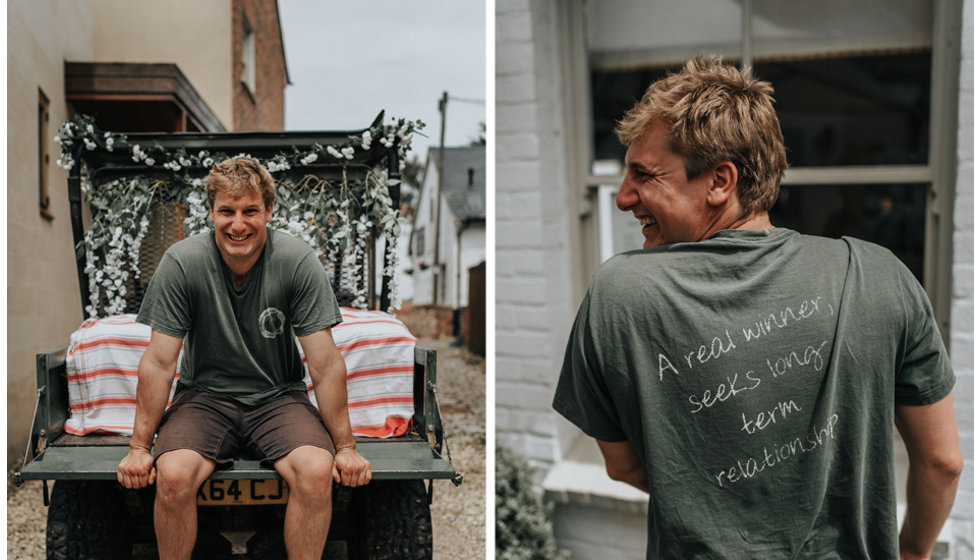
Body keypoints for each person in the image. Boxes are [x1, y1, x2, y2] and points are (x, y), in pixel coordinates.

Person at [552, 56, 961, 559]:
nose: (621, 198)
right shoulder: (880, 275)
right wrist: (915, 552)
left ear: (720, 181)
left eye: (643, 174)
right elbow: (942, 461)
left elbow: (625, 467)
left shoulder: (618, 294)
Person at [117, 157, 372, 560]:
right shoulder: (182, 262)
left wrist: (345, 448)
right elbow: (159, 362)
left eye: (250, 210)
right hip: (204, 397)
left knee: (317, 471)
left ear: (268, 211)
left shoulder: (296, 262)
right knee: (173, 475)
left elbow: (324, 363)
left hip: (278, 396)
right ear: (212, 213)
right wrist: (138, 447)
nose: (238, 224)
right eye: (227, 211)